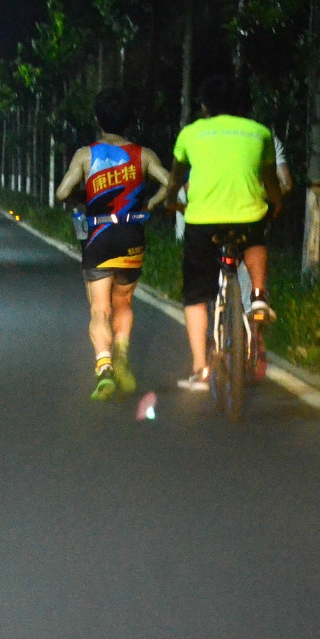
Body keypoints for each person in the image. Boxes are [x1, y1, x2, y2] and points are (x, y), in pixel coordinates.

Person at [162, 75, 282, 391]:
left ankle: (200, 368)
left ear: (203, 106)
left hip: (203, 222)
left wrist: (171, 201)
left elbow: (175, 178)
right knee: (255, 237)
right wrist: (277, 205)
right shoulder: (259, 133)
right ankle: (257, 295)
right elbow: (270, 180)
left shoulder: (190, 133)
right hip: (247, 217)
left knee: (196, 295)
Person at [55, 91, 171, 401]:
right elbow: (169, 182)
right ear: (129, 120)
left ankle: (104, 367)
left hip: (99, 236)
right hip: (132, 235)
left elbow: (62, 192)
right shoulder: (143, 154)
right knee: (124, 303)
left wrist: (83, 198)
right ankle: (122, 353)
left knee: (99, 308)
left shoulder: (85, 154)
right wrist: (152, 204)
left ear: (97, 120)